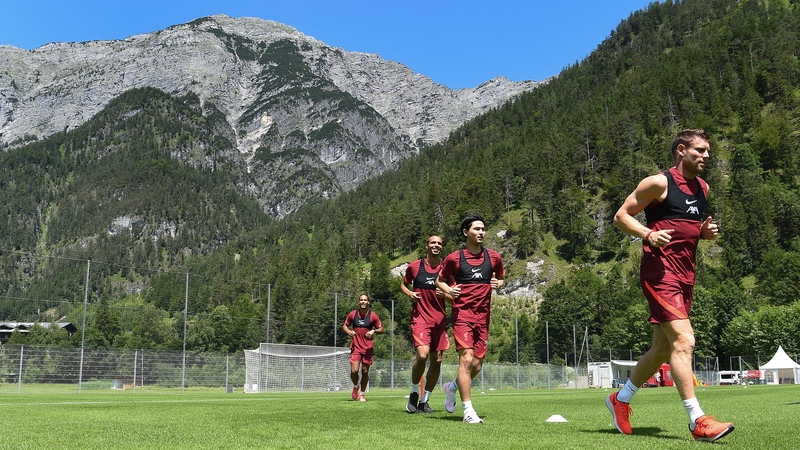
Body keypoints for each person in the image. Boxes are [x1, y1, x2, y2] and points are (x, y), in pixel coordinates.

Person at [606, 129, 734, 442]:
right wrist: (647, 234)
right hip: (659, 274)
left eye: (707, 151)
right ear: (681, 150)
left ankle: (619, 400)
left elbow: (684, 226)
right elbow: (621, 216)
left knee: (662, 348)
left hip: (686, 276)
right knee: (685, 341)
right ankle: (697, 421)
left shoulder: (702, 187)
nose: (706, 156)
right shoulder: (659, 182)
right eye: (700, 150)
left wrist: (702, 234)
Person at [436, 215, 504, 424]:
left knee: (476, 365)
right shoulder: (454, 259)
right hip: (462, 316)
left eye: (483, 229)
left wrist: (498, 284)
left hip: (483, 318)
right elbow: (440, 281)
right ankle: (468, 411)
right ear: (466, 233)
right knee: (466, 359)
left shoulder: (494, 257)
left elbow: (501, 278)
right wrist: (450, 290)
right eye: (477, 229)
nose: (481, 232)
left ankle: (452, 387)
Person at [400, 235, 453, 413]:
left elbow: (455, 298)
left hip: (439, 321)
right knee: (422, 356)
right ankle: (414, 391)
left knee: (437, 360)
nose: (436, 245)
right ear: (427, 246)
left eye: (439, 243)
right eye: (433, 243)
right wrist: (410, 294)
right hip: (420, 319)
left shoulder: (446, 270)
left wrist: (445, 295)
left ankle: (425, 400)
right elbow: (403, 284)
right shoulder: (415, 267)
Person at [342, 294, 384, 402]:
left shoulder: (373, 316)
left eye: (365, 300)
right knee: (354, 370)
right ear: (358, 302)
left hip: (368, 348)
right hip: (356, 347)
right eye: (361, 300)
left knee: (365, 371)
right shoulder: (353, 314)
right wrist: (348, 331)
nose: (363, 302)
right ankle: (356, 386)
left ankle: (362, 394)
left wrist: (373, 331)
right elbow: (345, 325)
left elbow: (381, 329)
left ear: (368, 302)